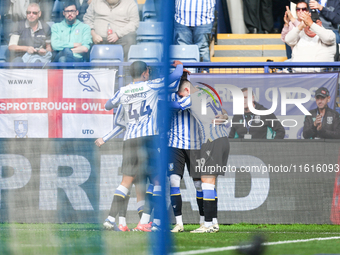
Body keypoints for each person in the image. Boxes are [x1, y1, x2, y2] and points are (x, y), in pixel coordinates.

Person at [102, 60, 183, 232]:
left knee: (126, 181)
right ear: (145, 72)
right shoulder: (150, 86)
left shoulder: (123, 90)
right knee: (158, 180)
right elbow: (176, 76)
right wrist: (179, 65)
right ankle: (151, 222)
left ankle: (110, 218)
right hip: (148, 138)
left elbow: (108, 105)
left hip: (129, 140)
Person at [172, 79, 229, 233]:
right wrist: (224, 117)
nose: (180, 96)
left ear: (186, 90)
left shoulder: (191, 98)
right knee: (208, 182)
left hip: (212, 140)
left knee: (207, 183)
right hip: (223, 139)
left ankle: (208, 225)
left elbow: (176, 106)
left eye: (181, 94)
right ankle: (213, 223)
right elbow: (224, 112)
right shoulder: (208, 93)